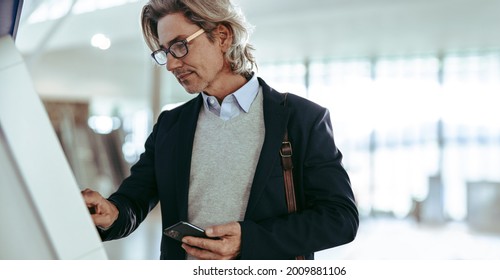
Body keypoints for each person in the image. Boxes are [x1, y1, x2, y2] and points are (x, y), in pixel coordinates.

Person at [82, 0, 359, 260]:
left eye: (180, 46)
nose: (171, 64)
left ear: (223, 36)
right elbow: (133, 200)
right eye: (164, 52)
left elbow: (340, 218)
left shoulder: (301, 119)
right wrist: (112, 213)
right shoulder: (171, 125)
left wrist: (248, 240)